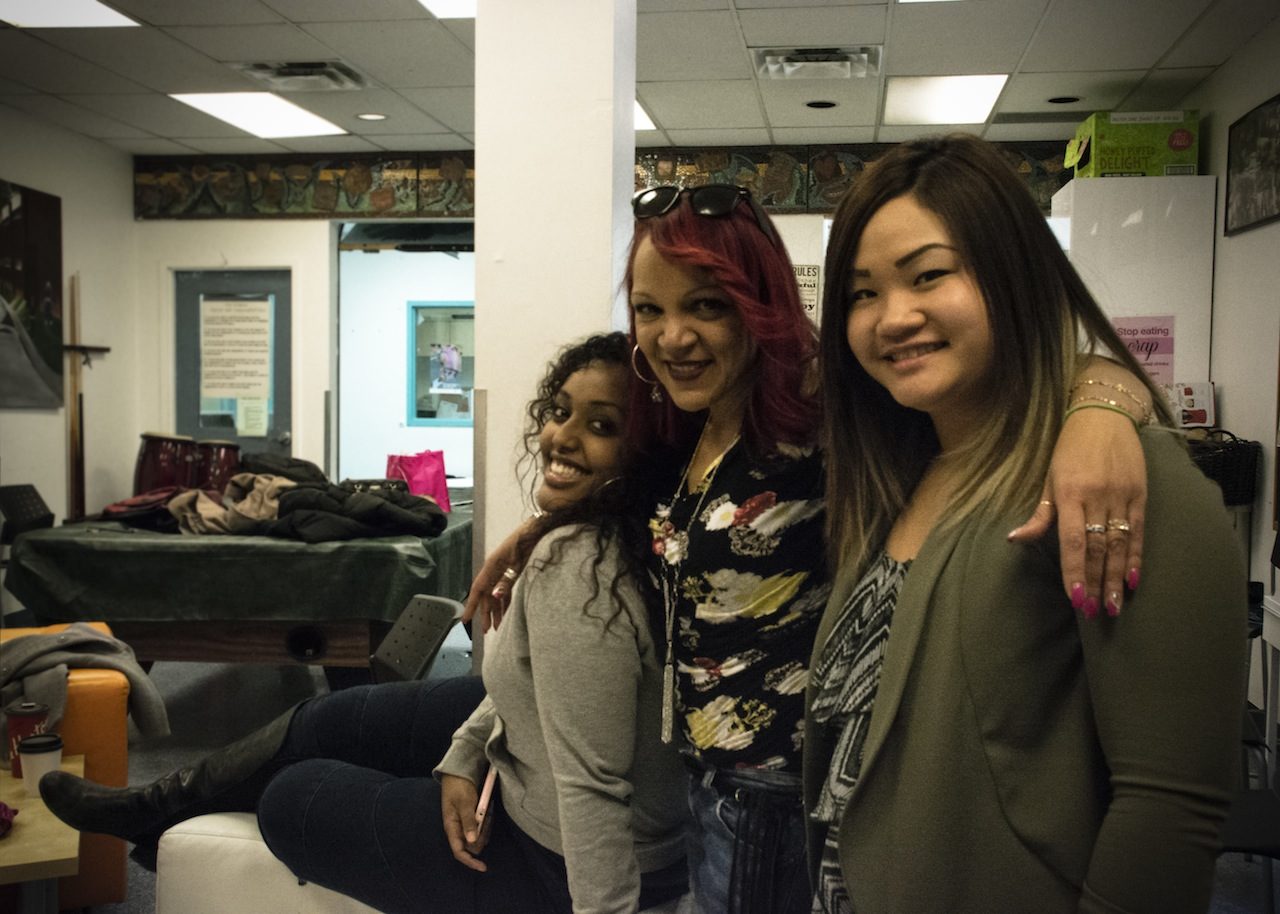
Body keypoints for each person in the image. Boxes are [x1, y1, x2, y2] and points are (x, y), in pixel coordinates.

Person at [471, 182, 1157, 914]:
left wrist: (1103, 412)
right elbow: (645, 514)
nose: (672, 336)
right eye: (650, 309)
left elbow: (1048, 374)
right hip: (702, 787)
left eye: (707, 304)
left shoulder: (824, 410)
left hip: (774, 801)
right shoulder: (690, 422)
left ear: (760, 301)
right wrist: (542, 528)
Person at [40, 332, 689, 914]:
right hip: (561, 788)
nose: (560, 436)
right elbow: (553, 694)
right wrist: (464, 757)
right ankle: (153, 808)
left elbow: (593, 786)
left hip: (562, 861)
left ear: (648, 454)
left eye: (601, 425)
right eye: (559, 412)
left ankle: (155, 816)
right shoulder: (643, 531)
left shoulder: (581, 566)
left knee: (292, 796)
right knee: (324, 721)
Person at [805, 133, 1245, 913]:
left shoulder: (1123, 480)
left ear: (1013, 272)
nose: (892, 317)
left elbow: (1169, 808)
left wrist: (1105, 397)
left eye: (929, 275)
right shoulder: (902, 473)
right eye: (862, 293)